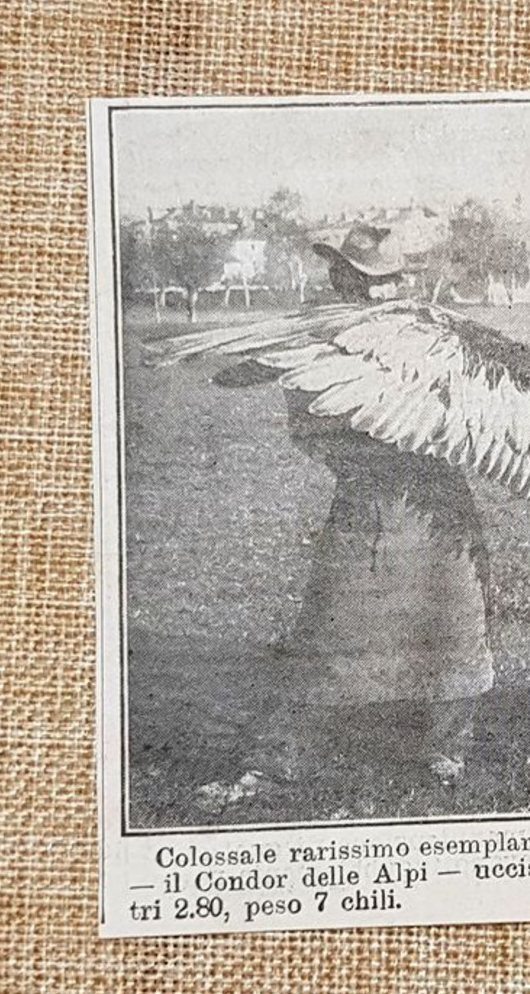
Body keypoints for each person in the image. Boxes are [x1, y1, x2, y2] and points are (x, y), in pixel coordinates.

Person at [195, 223, 493, 812]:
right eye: (359, 280)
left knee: (456, 615)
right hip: (368, 500)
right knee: (333, 622)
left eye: (385, 281)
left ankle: (446, 745)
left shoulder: (435, 338)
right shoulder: (321, 342)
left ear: (401, 283)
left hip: (439, 500)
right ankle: (278, 756)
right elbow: (309, 425)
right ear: (343, 281)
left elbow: (472, 420)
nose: (374, 292)